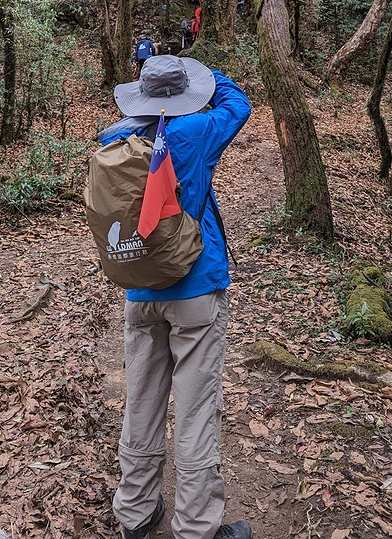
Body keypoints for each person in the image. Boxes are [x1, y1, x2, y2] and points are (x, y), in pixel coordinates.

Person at [98, 55, 252, 539]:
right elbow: (239, 104)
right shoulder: (198, 132)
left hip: (140, 289)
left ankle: (136, 515)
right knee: (195, 410)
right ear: (188, 95)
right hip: (195, 290)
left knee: (141, 401)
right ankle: (196, 528)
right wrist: (204, 70)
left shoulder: (115, 138)